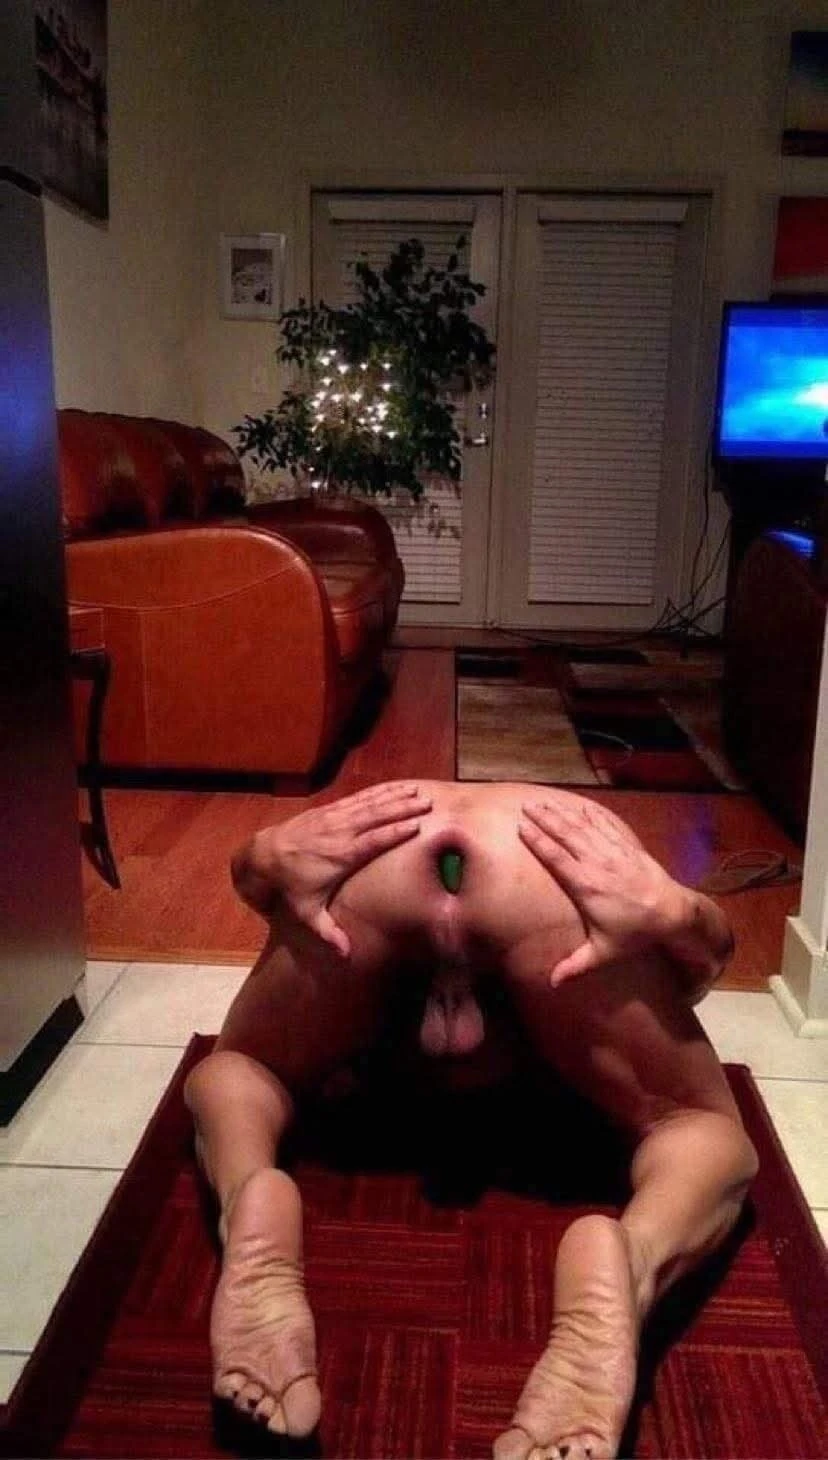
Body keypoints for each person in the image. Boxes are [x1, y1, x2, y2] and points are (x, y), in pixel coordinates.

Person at [184, 780, 757, 1460]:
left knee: (241, 1069)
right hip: (547, 881)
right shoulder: (584, 845)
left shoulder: (379, 810)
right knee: (700, 1129)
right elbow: (708, 958)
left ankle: (249, 1194)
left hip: (372, 865)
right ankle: (630, 1263)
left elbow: (257, 887)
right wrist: (679, 908)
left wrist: (260, 854)